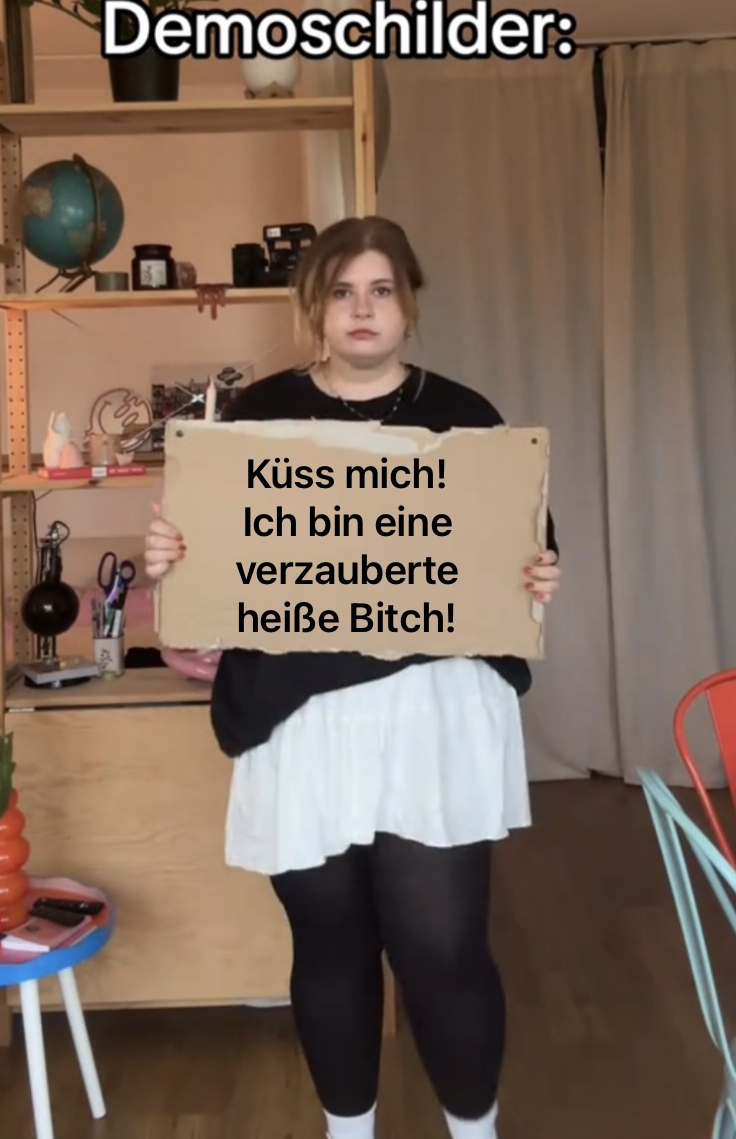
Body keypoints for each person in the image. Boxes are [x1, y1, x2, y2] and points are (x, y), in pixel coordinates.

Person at [144, 215, 561, 1139]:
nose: (361, 309)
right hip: (300, 717)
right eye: (340, 292)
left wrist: (535, 575)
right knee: (329, 945)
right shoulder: (253, 417)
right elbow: (210, 564)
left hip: (433, 711)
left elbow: (521, 555)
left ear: (408, 303)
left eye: (379, 291)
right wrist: (171, 565)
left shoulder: (466, 415)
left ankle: (475, 1132)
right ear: (314, 306)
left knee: (441, 948)